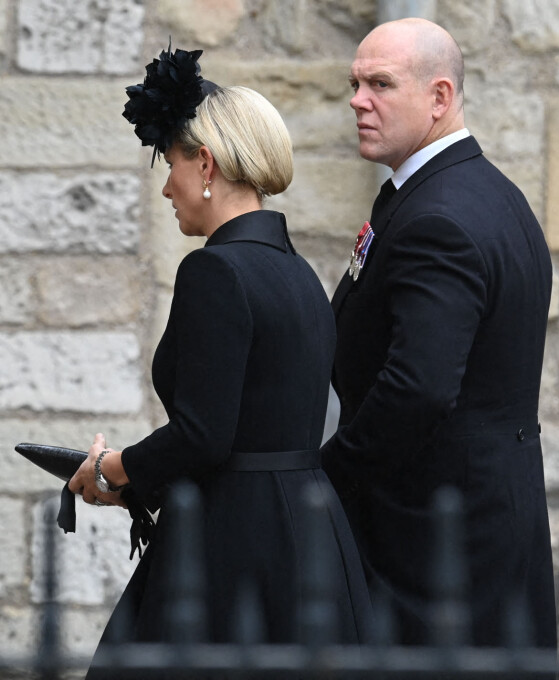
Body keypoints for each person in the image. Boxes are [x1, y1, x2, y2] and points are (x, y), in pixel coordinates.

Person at [68, 45, 373, 676]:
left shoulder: (213, 270)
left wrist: (111, 469)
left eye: (172, 163)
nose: (166, 186)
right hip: (309, 535)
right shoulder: (299, 275)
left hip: (232, 543)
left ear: (204, 162)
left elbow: (205, 436)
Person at [321, 17, 557, 654]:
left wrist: (327, 477)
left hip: (439, 542)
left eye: (380, 84)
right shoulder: (476, 192)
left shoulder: (440, 216)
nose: (357, 100)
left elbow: (419, 388)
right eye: (355, 83)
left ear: (440, 97)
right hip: (478, 519)